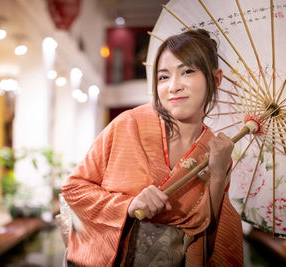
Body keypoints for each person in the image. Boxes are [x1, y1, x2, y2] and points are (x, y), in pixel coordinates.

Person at [61, 29, 243, 266]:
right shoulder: (129, 124)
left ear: (215, 79)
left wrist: (218, 176)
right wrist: (128, 205)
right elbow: (74, 189)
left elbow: (209, 243)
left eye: (187, 71)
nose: (173, 87)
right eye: (163, 77)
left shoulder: (218, 153)